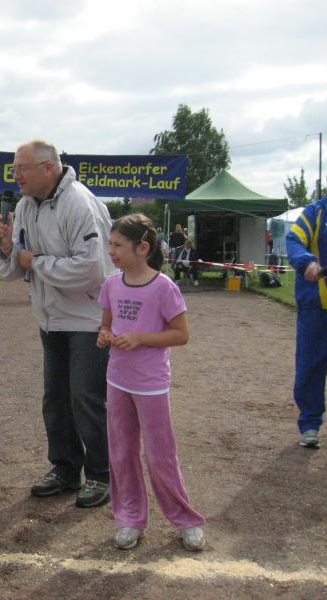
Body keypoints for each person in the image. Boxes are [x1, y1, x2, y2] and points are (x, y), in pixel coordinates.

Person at [0, 140, 114, 508]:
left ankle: (101, 474)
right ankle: (65, 468)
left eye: (22, 168)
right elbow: (14, 270)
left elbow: (93, 269)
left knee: (86, 398)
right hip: (50, 319)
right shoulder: (25, 206)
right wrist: (7, 248)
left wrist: (35, 261)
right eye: (14, 169)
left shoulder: (79, 203)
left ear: (48, 168)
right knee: (55, 399)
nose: (15, 176)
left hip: (88, 320)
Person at [97, 213, 206, 552]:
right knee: (122, 452)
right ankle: (130, 518)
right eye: (110, 244)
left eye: (118, 245)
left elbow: (181, 334)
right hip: (118, 380)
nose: (111, 251)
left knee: (160, 456)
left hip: (151, 385)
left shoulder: (164, 287)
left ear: (142, 248)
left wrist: (141, 338)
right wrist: (105, 335)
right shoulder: (111, 284)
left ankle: (185, 519)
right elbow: (106, 325)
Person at [287, 158, 327, 449]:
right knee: (310, 367)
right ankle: (310, 424)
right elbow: (294, 240)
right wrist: (306, 262)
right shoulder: (315, 213)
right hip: (317, 307)